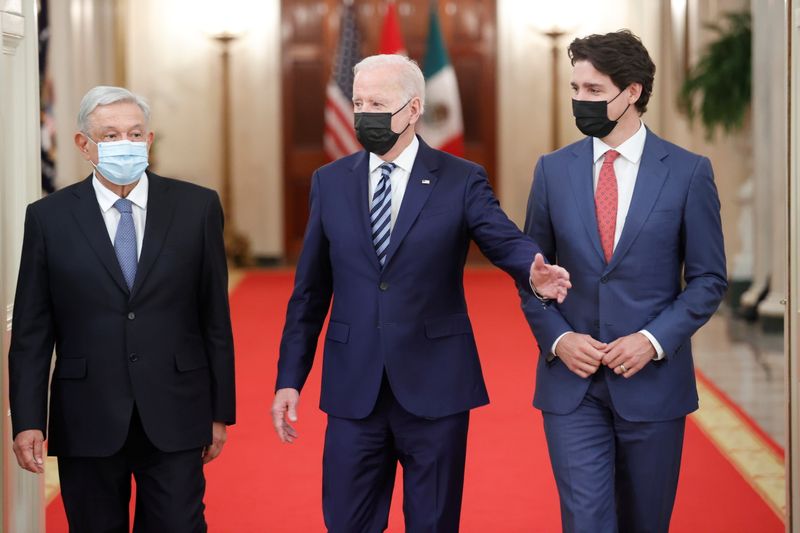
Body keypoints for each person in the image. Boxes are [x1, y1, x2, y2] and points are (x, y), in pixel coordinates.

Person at [271, 54, 571, 532]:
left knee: (432, 522)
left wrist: (531, 271)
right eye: (358, 102)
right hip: (354, 388)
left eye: (378, 103)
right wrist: (290, 378)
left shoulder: (460, 177)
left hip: (436, 386)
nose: (364, 113)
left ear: (413, 110)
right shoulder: (329, 182)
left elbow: (501, 236)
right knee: (346, 522)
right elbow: (309, 293)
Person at [519, 31, 727, 532]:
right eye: (575, 88)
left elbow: (707, 280)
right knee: (587, 520)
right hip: (572, 386)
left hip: (653, 385)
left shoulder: (688, 173)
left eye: (593, 90)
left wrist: (653, 341)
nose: (580, 100)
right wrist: (560, 339)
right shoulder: (552, 171)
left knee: (644, 523)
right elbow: (532, 277)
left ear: (631, 92)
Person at [9, 86, 236, 532]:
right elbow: (33, 332)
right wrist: (28, 420)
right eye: (110, 136)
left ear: (149, 140)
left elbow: (214, 319)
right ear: (83, 145)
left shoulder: (197, 207)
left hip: (176, 409)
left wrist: (219, 411)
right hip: (87, 415)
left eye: (134, 133)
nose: (125, 144)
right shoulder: (48, 218)